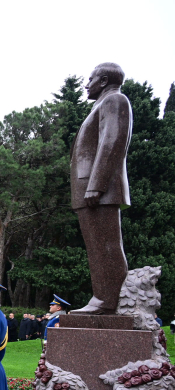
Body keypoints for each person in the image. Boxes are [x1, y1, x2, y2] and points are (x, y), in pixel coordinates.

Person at [70, 63, 131, 315]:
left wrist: (96, 186)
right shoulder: (101, 104)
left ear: (103, 80)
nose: (87, 84)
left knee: (105, 245)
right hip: (90, 189)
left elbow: (112, 142)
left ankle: (107, 300)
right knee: (96, 246)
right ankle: (102, 297)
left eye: (91, 78)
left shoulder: (115, 100)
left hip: (98, 190)